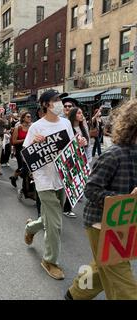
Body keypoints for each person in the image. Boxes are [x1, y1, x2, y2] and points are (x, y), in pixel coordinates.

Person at [65, 100, 137, 300]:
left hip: (125, 222)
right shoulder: (114, 155)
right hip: (100, 223)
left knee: (103, 266)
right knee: (122, 281)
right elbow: (92, 189)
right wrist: (124, 199)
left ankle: (75, 294)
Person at [23, 89, 87, 280]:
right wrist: (34, 143)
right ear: (45, 104)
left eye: (60, 99)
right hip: (44, 180)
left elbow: (72, 146)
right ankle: (50, 261)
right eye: (56, 100)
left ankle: (30, 228)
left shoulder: (66, 123)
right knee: (56, 224)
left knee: (51, 218)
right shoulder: (36, 127)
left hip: (62, 178)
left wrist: (80, 142)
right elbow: (27, 154)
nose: (60, 103)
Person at [9, 111, 32, 188]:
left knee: (28, 168)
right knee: (21, 167)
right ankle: (15, 177)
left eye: (30, 117)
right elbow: (14, 141)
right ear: (23, 118)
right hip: (20, 150)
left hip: (29, 149)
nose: (30, 118)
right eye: (28, 117)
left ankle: (17, 179)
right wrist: (25, 140)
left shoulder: (32, 127)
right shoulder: (18, 128)